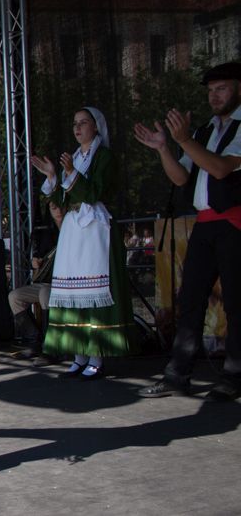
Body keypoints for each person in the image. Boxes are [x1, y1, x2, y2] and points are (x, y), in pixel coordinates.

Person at [134, 61, 241, 400]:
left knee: (236, 303)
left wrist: (184, 140)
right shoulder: (206, 131)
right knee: (190, 299)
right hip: (205, 224)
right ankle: (177, 374)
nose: (214, 96)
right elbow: (181, 177)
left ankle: (234, 377)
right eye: (210, 91)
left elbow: (221, 169)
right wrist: (166, 147)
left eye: (221, 89)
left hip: (236, 223)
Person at [30, 106, 138, 380]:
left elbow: (93, 193)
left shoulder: (104, 157)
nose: (78, 128)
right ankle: (78, 355)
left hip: (94, 229)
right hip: (73, 230)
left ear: (96, 127)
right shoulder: (76, 157)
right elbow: (64, 201)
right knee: (71, 291)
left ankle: (97, 355)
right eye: (75, 123)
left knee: (94, 289)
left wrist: (71, 174)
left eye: (83, 123)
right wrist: (53, 176)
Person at [8, 201, 64, 365]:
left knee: (44, 293)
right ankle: (35, 342)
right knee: (15, 296)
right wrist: (36, 260)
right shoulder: (47, 231)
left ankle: (51, 346)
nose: (58, 211)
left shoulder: (72, 229)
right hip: (47, 281)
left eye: (60, 207)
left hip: (66, 284)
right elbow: (40, 254)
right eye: (53, 208)